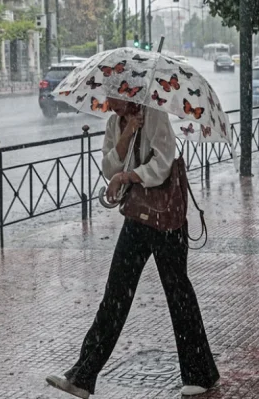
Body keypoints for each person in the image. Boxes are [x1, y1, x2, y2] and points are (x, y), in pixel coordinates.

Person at [46, 97, 220, 399]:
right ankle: (83, 376)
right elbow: (109, 167)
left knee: (178, 293)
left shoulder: (155, 115)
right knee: (116, 294)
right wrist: (126, 134)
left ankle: (201, 374)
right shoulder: (115, 123)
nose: (110, 102)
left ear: (130, 92)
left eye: (115, 96)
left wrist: (127, 175)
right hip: (137, 216)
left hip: (166, 219)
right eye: (108, 96)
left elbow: (163, 163)